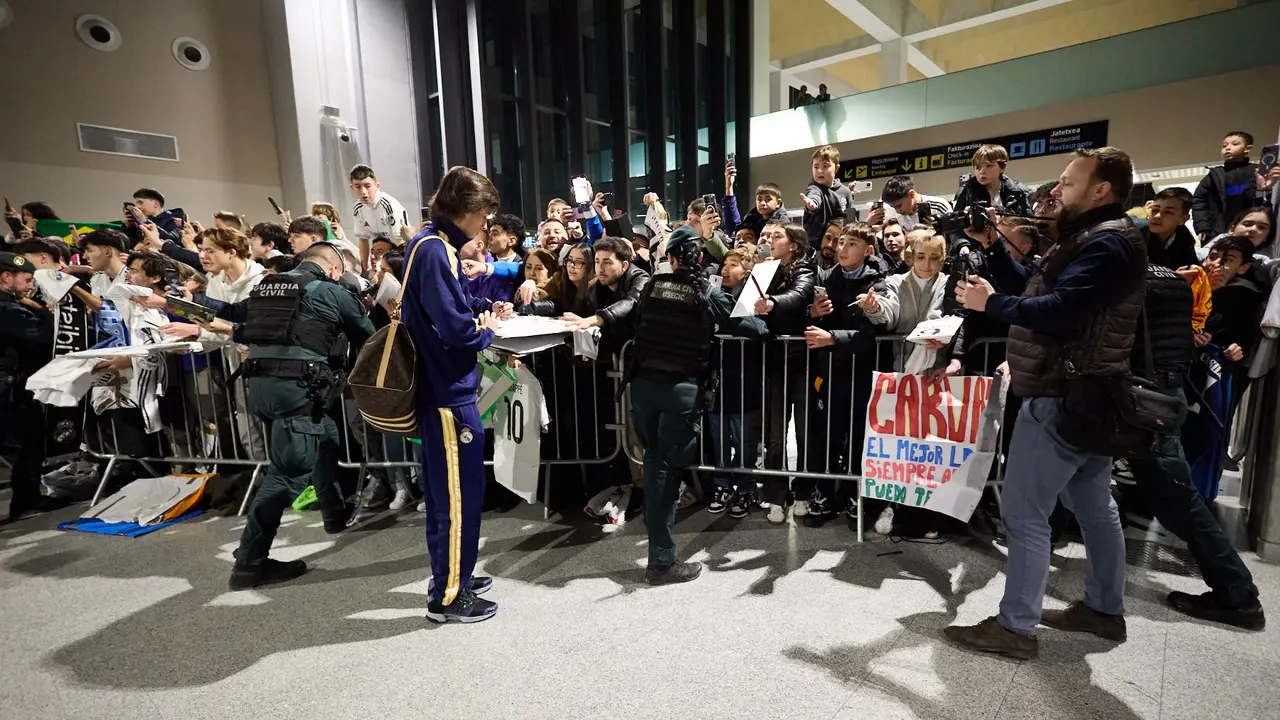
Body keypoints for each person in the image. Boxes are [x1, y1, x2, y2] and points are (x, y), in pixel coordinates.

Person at [945, 147, 1147, 660]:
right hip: (1085, 394)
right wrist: (996, 248)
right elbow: (1043, 289)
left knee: (1025, 513)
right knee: (1094, 506)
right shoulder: (1096, 238)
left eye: (1067, 182)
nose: (1056, 191)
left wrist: (989, 304)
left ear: (1101, 190)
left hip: (1063, 392)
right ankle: (1103, 610)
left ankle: (1015, 627)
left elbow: (1060, 310)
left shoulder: (1106, 243)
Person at [1120, 245, 1266, 630]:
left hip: (1147, 403)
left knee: (1178, 500)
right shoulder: (1169, 282)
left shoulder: (1142, 283)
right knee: (1172, 499)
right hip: (1157, 399)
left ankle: (1238, 595)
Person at [220, 242, 374, 589]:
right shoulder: (331, 291)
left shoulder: (267, 286)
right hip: (298, 389)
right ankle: (249, 564)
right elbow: (369, 337)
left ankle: (335, 514)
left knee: (327, 436)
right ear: (334, 269)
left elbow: (239, 319)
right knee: (286, 475)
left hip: (260, 386)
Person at [624, 225, 768, 584]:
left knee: (654, 461)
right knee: (664, 473)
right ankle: (661, 561)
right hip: (680, 391)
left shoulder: (652, 287)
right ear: (700, 259)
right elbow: (752, 329)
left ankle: (660, 550)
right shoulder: (705, 291)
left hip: (642, 388)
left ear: (670, 258)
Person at [401, 166, 504, 623]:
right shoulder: (435, 251)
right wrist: (488, 331)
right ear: (468, 210)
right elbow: (456, 328)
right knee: (457, 498)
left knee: (451, 496)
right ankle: (449, 596)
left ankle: (452, 573)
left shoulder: (428, 244)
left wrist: (481, 309)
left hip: (443, 389)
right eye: (484, 215)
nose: (485, 225)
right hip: (447, 394)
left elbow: (451, 305)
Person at [802, 223, 888, 527]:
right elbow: (810, 319)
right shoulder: (827, 278)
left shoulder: (878, 283)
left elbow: (873, 333)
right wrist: (812, 314)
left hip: (863, 371)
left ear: (867, 250)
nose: (842, 248)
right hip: (831, 371)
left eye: (851, 244)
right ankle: (824, 494)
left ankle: (856, 496)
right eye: (840, 243)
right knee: (828, 435)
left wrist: (833, 337)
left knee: (860, 439)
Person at [753, 221, 817, 523]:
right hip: (774, 361)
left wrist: (772, 302)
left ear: (793, 245)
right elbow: (745, 301)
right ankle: (776, 495)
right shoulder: (764, 269)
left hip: (801, 361)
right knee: (775, 435)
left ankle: (804, 491)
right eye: (768, 236)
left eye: (777, 236)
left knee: (805, 432)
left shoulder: (804, 270)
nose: (769, 240)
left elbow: (799, 295)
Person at [0, 252, 59, 520]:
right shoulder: (8, 310)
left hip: (13, 386)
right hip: (7, 389)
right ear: (6, 277)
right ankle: (26, 500)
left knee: (30, 440)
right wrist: (44, 312)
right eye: (26, 280)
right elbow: (45, 337)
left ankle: (27, 500)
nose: (29, 287)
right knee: (27, 442)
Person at [707, 249, 765, 518]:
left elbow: (758, 329)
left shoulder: (754, 297)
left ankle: (744, 487)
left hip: (745, 381)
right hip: (717, 382)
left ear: (748, 271)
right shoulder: (712, 295)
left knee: (744, 441)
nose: (726, 270)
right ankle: (721, 485)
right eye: (724, 264)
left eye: (734, 265)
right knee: (718, 440)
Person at [1193, 131, 1259, 240]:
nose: (1227, 148)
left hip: (1252, 228)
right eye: (1224, 146)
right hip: (1219, 230)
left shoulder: (1256, 171)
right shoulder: (1215, 175)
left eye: (1235, 144)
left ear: (1247, 149)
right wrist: (1203, 227)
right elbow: (1199, 200)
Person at [349, 164, 408, 268]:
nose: (363, 192)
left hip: (397, 256)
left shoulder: (388, 206)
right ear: (352, 188)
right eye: (358, 187)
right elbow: (363, 239)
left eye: (367, 186)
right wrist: (364, 270)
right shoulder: (358, 209)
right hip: (379, 258)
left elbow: (402, 241)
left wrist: (399, 269)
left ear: (377, 186)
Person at [952, 145, 1031, 219]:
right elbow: (955, 229)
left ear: (1002, 167)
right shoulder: (966, 191)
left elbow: (1031, 226)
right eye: (978, 167)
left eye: (989, 166)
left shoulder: (1020, 191)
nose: (982, 172)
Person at [801, 145, 855, 245]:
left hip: (839, 245)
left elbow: (850, 220)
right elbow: (814, 195)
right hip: (816, 246)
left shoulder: (845, 192)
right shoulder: (814, 188)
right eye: (816, 167)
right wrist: (813, 204)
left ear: (836, 168)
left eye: (825, 166)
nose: (820, 171)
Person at [1144, 188, 1198, 270]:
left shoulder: (1185, 241)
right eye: (1155, 210)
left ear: (1183, 219)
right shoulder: (1134, 235)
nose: (1157, 216)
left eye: (1168, 212)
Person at [878, 175, 954, 232]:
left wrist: (938, 229)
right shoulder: (892, 214)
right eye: (893, 207)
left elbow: (954, 236)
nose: (897, 211)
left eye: (899, 206)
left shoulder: (939, 206)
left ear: (911, 194)